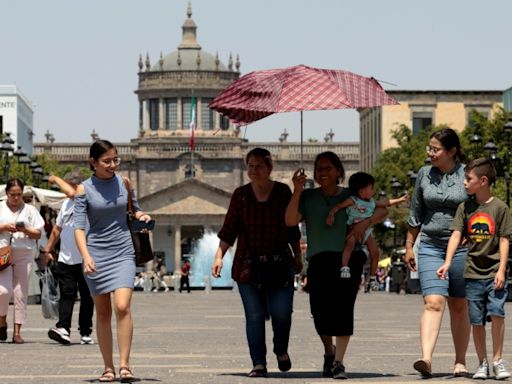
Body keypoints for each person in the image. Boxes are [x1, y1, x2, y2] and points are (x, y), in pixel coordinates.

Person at [285, 152, 387, 379]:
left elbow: (383, 209)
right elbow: (290, 221)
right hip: (319, 260)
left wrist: (364, 225)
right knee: (319, 312)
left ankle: (339, 362)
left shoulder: (353, 194)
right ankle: (328, 351)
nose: (323, 172)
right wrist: (297, 190)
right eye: (319, 168)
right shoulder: (308, 196)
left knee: (343, 308)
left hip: (348, 258)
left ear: (339, 171)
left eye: (328, 168)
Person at [212, 147, 302, 377]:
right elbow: (229, 229)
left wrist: (298, 256)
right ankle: (258, 363)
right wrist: (219, 256)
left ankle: (281, 349)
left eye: (259, 166)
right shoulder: (240, 195)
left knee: (282, 313)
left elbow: (291, 227)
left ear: (269, 168)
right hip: (248, 266)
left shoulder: (282, 192)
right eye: (250, 166)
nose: (254, 170)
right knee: (254, 316)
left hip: (280, 264)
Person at [74, 140, 152, 383]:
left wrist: (143, 216)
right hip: (96, 254)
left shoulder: (125, 182)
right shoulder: (83, 190)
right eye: (106, 161)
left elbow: (134, 210)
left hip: (123, 251)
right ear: (93, 162)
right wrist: (86, 257)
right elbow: (78, 228)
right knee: (104, 312)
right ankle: (108, 367)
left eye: (115, 159)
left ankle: (125, 365)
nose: (112, 164)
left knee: (122, 306)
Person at [437, 158, 512, 380]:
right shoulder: (465, 207)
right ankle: (482, 362)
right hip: (472, 274)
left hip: (494, 273)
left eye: (468, 179)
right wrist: (448, 261)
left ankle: (498, 360)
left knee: (497, 314)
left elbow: (505, 240)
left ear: (483, 181)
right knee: (476, 321)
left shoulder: (500, 208)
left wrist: (501, 270)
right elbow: (457, 235)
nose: (464, 183)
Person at [404, 128, 470, 378]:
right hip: (430, 244)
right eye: (429, 148)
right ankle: (426, 358)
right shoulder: (423, 174)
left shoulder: (467, 174)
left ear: (452, 152)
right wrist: (410, 245)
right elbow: (415, 212)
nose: (429, 153)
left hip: (463, 247)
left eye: (435, 149)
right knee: (433, 302)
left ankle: (460, 361)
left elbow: (478, 207)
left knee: (459, 305)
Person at [326, 171, 407, 279]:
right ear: (362, 191)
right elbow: (338, 206)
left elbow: (385, 203)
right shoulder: (352, 201)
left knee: (375, 252)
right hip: (352, 229)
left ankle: (373, 276)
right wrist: (331, 214)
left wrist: (400, 200)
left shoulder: (372, 202)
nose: (374, 191)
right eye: (371, 188)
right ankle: (344, 267)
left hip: (366, 231)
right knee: (349, 246)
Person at [44, 173, 95, 345]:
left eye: (66, 186)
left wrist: (55, 178)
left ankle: (85, 330)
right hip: (66, 258)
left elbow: (73, 194)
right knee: (67, 294)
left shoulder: (86, 199)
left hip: (86, 257)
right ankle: (63, 328)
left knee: (87, 296)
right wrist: (48, 250)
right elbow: (57, 229)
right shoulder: (66, 205)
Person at [0, 178, 45, 344]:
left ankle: (17, 332)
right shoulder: (0, 207)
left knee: (20, 292)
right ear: (7, 194)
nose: (16, 198)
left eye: (19, 194)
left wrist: (25, 229)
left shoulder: (30, 210)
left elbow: (38, 233)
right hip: (2, 252)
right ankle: (2, 320)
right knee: (3, 291)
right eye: (13, 194)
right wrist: (4, 227)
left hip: (23, 253)